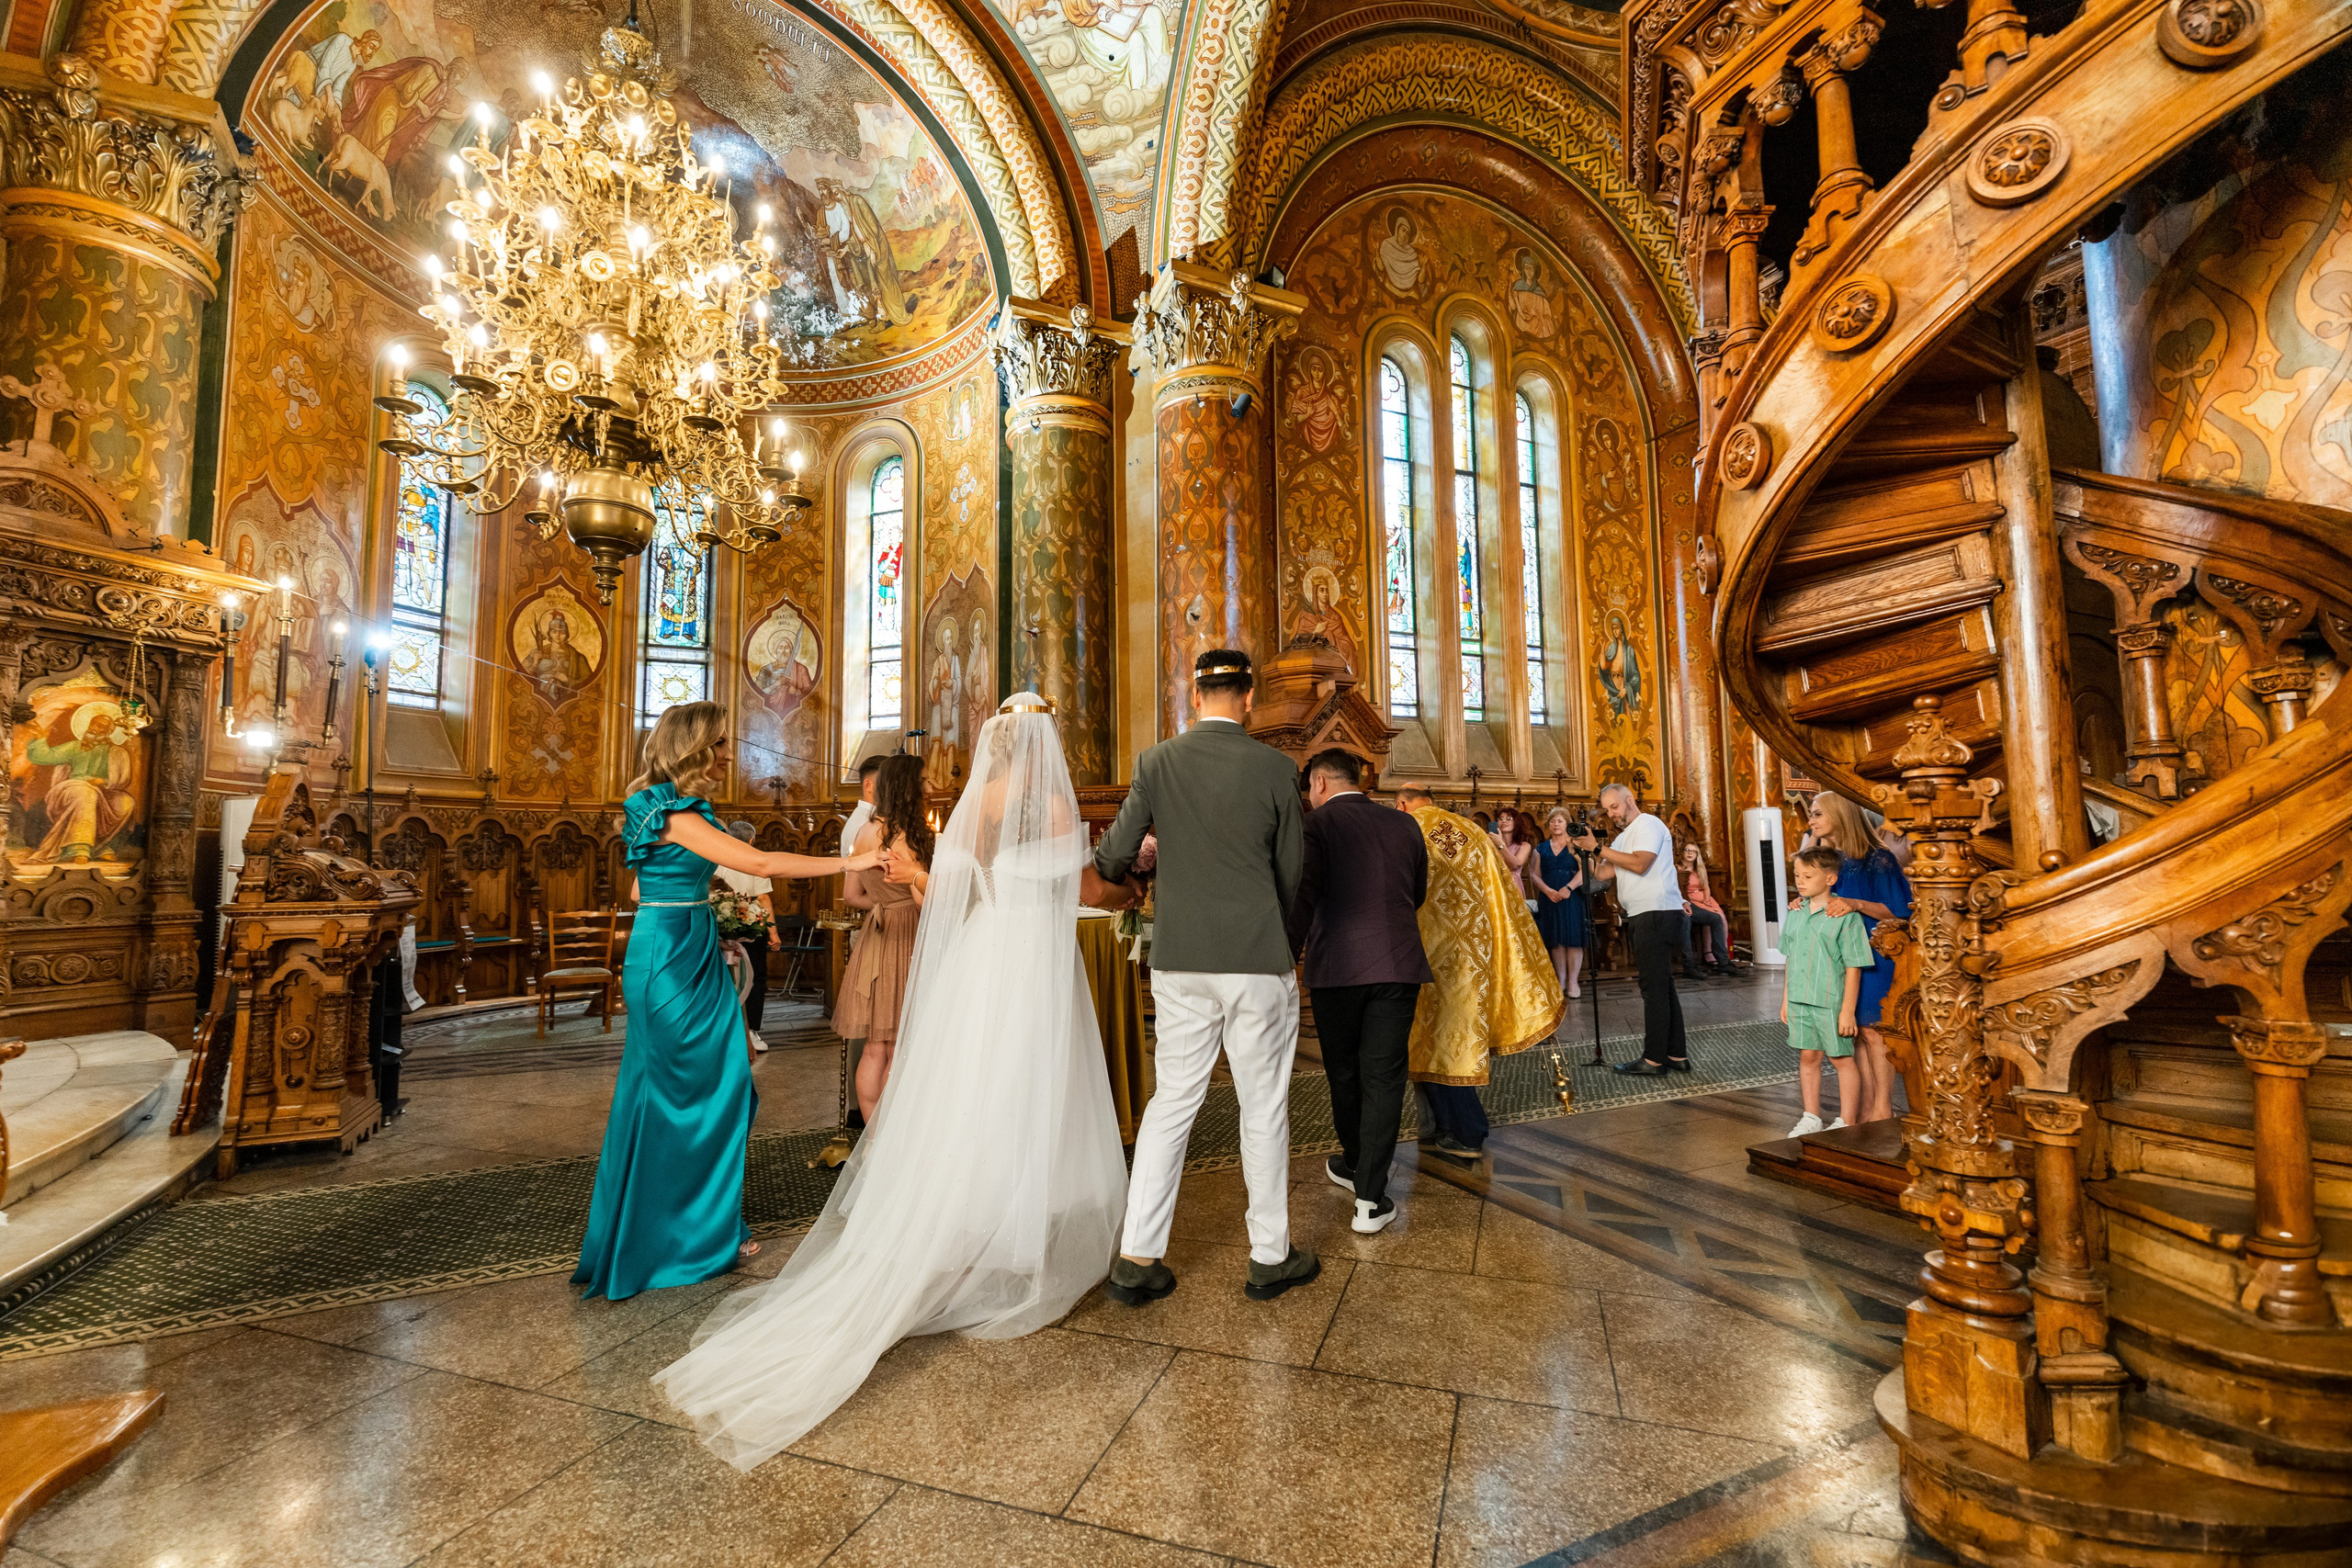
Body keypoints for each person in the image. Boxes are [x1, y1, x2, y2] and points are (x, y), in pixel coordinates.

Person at [655, 694, 1128, 1469]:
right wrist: (1131, 879)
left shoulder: (980, 806)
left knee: (979, 1093)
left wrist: (918, 877)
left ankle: (973, 1225)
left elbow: (951, 896)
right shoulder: (1048, 801)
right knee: (1032, 1087)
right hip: (1035, 963)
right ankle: (1021, 1233)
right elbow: (1084, 890)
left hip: (985, 959)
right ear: (1043, 745)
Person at [572, 704, 881, 1303]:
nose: (726, 754)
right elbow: (761, 863)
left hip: (676, 944)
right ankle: (685, 1237)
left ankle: (699, 1224)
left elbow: (640, 887)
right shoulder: (673, 811)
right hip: (672, 961)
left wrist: (694, 897)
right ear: (692, 749)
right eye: (718, 744)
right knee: (695, 1092)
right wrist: (854, 859)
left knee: (699, 1086)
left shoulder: (651, 805)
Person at [1090, 649, 1318, 1304]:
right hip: (1255, 953)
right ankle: (1270, 1256)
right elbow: (1290, 870)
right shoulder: (1277, 767)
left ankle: (1138, 1257)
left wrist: (1157, 863)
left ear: (1194, 697)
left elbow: (1111, 855)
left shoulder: (1157, 762)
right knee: (1263, 1103)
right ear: (1248, 699)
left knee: (1172, 1103)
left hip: (1181, 956)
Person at [1287, 749, 1430, 1235]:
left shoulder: (1316, 826)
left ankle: (1354, 1162)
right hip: (1397, 965)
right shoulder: (1405, 824)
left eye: (1310, 788)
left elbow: (1303, 895)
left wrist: (1283, 956)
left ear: (1322, 783)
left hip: (1337, 969)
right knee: (1384, 1077)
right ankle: (1370, 1195)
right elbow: (1419, 891)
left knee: (1344, 1073)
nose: (1310, 796)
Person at [1395, 786, 1563, 1162]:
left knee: (1431, 1041)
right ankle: (1443, 1129)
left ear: (1403, 804)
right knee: (1459, 1040)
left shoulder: (1405, 828)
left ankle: (1466, 1131)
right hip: (1472, 954)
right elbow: (1503, 890)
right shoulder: (1471, 830)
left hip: (1424, 952)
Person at [1804, 792, 1915, 1122]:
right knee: (1855, 1034)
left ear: (1840, 814)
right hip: (1842, 957)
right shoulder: (1830, 861)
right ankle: (1868, 1107)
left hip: (1876, 954)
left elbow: (1898, 911)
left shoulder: (1876, 859)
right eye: (1811, 814)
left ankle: (1883, 1106)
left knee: (1874, 1031)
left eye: (1818, 813)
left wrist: (1856, 903)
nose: (1812, 820)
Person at [833, 753, 931, 1121]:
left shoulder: (863, 832)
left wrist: (883, 904)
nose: (930, 788)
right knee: (898, 1046)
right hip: (906, 936)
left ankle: (873, 1138)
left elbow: (852, 896)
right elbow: (925, 901)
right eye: (924, 781)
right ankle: (892, 1138)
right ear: (908, 787)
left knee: (876, 1045)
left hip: (875, 934)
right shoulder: (907, 837)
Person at [1582, 783, 1689, 1075]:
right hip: (1646, 914)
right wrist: (1583, 852)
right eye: (1607, 810)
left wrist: (1598, 847)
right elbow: (1604, 873)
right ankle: (1677, 1055)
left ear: (1630, 800)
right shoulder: (1624, 837)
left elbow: (1641, 865)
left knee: (1653, 990)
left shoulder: (1648, 824)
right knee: (1663, 987)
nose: (1611, 814)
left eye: (1614, 807)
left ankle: (1654, 1060)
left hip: (1656, 913)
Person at [1780, 845, 1876, 1135]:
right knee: (1808, 1057)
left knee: (1841, 1059)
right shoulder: (1795, 912)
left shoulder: (1845, 917)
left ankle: (1847, 1119)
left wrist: (1847, 1011)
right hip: (1799, 999)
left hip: (1830, 1001)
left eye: (1808, 876)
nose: (1800, 881)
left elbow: (1853, 966)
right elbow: (1790, 957)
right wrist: (1785, 999)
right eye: (1797, 875)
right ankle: (1811, 1116)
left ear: (1831, 879)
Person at [717, 819, 782, 1051]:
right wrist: (773, 933)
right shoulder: (754, 860)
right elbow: (763, 899)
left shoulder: (715, 856)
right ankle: (752, 1032)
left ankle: (723, 1032)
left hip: (718, 927)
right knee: (754, 978)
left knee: (723, 978)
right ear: (751, 840)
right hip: (750, 926)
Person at [1530, 807, 1590, 998]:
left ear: (1567, 823)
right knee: (1556, 939)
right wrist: (1547, 890)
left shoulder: (1575, 846)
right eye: (1553, 821)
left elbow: (1586, 871)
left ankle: (1573, 981)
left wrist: (1569, 888)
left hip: (1571, 896)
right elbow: (1534, 873)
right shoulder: (1540, 848)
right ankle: (1561, 979)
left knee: (1572, 938)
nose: (1556, 824)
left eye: (1560, 821)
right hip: (1549, 897)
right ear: (1548, 825)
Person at [1680, 843, 1736, 979]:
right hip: (1684, 901)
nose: (1690, 853)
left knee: (1717, 918)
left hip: (1700, 899)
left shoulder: (1699, 869)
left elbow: (1706, 886)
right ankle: (1690, 965)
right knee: (1685, 919)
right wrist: (1685, 902)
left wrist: (1706, 899)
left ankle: (1723, 962)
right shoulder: (1676, 868)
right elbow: (1676, 889)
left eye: (1693, 851)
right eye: (1687, 850)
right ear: (1682, 852)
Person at [1490, 807, 1534, 903]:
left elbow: (1515, 864)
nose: (1504, 821)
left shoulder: (1524, 846)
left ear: (1516, 822)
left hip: (1513, 886)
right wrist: (1496, 844)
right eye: (1501, 819)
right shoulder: (1490, 845)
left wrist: (1501, 845)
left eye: (1509, 819)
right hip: (1495, 885)